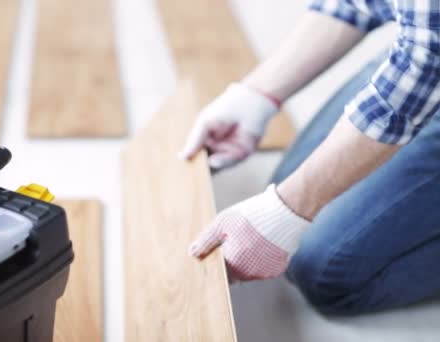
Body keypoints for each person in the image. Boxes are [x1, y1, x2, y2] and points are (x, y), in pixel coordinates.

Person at [180, 0, 440, 315]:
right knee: (288, 198)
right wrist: (258, 94)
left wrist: (289, 208)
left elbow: (424, 58)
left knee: (326, 272)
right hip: (426, 45)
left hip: (428, 54)